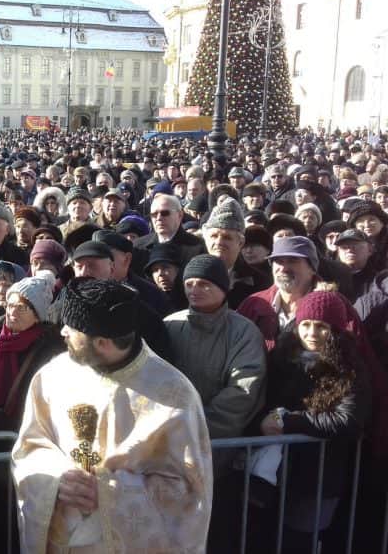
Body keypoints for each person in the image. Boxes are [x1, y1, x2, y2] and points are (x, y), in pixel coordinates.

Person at [12, 278, 212, 552]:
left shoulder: (174, 395)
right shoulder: (52, 376)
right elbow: (29, 446)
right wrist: (57, 477)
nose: (63, 333)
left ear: (102, 342)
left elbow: (190, 493)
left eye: (72, 327)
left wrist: (109, 493)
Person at [257, 291, 370, 547]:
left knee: (299, 542)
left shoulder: (348, 366)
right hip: (275, 472)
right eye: (305, 325)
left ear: (335, 330)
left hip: (318, 477)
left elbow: (348, 420)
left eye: (321, 326)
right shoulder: (283, 358)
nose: (311, 333)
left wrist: (290, 422)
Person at [164, 254, 266, 439]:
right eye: (189, 284)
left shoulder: (244, 333)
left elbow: (243, 390)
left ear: (223, 288)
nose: (194, 290)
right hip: (168, 438)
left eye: (204, 284)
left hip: (215, 443)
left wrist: (196, 425)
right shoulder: (169, 325)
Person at [0, 272, 63, 432]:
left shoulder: (51, 351)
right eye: (10, 305)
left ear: (37, 316)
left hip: (28, 432)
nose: (12, 312)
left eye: (21, 307)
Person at [133, 193, 205, 273]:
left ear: (180, 215)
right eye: (154, 214)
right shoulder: (138, 246)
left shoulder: (197, 247)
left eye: (165, 213)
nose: (159, 218)